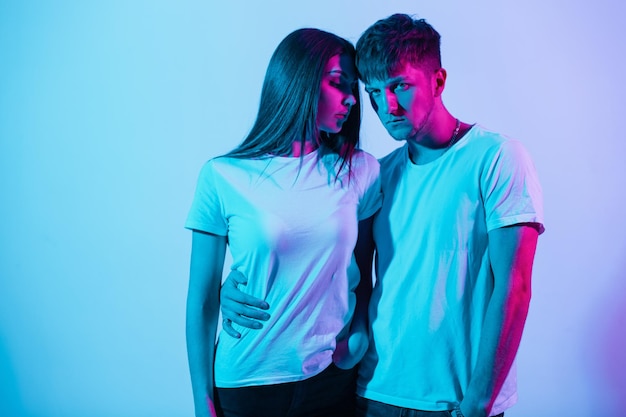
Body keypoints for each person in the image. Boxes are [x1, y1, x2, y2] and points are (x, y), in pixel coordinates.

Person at [220, 13, 545, 417]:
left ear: (438, 81)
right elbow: (338, 272)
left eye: (399, 87)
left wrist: (480, 400)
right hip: (371, 390)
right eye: (373, 93)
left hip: (457, 400)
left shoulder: (497, 158)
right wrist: (234, 290)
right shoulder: (376, 174)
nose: (386, 106)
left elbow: (514, 288)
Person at [184, 28, 381, 417]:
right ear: (299, 81)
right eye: (338, 84)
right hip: (247, 382)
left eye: (352, 89)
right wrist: (201, 402)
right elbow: (203, 301)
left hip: (330, 380)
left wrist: (357, 335)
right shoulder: (223, 176)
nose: (350, 100)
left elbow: (361, 269)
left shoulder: (359, 171)